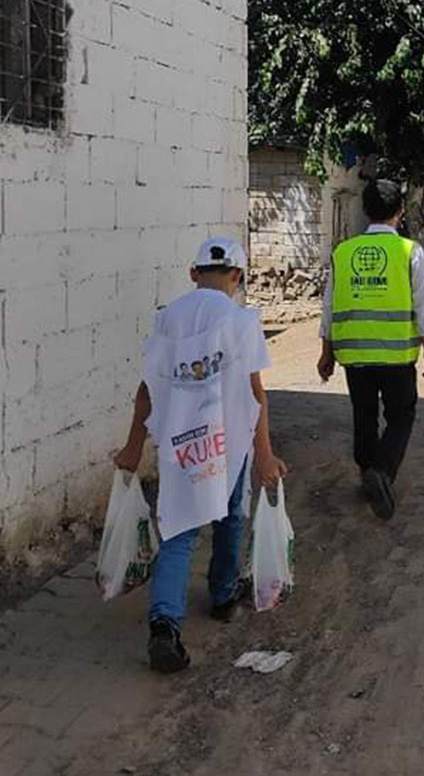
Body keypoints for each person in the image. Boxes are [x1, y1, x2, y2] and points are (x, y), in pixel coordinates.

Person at [113, 237, 288, 673]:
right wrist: (265, 456)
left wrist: (133, 447)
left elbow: (147, 389)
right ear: (238, 276)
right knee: (230, 518)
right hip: (227, 444)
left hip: (180, 444)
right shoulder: (243, 320)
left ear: (193, 274)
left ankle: (164, 626)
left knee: (179, 530)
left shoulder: (167, 319)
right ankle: (223, 596)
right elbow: (255, 393)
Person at [318, 179, 424, 520]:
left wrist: (326, 353)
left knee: (364, 414)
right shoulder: (408, 251)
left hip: (354, 355)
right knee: (402, 415)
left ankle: (367, 473)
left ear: (364, 211)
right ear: (400, 212)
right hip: (397, 355)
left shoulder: (343, 252)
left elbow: (328, 307)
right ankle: (382, 471)